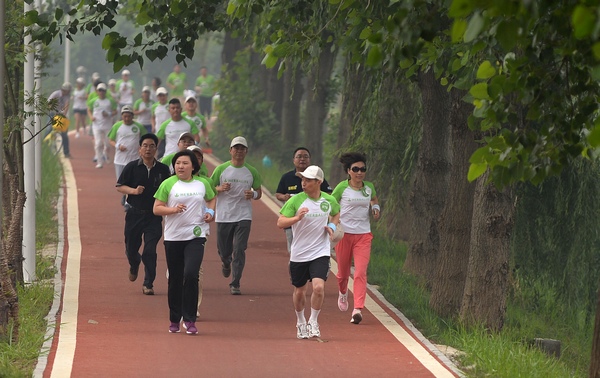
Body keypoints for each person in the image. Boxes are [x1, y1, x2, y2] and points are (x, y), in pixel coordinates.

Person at [153, 149, 216, 335]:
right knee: (175, 278)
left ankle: (189, 319)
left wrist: (210, 213)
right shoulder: (168, 184)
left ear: (193, 166)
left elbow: (211, 199)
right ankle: (174, 318)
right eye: (178, 163)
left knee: (191, 274)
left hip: (196, 235)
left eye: (185, 163)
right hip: (173, 236)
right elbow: (156, 209)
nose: (181, 166)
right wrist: (173, 210)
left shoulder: (202, 183)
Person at [277, 165, 340, 339]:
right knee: (300, 291)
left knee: (319, 287)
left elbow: (336, 213)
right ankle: (300, 321)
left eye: (307, 180)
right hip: (299, 253)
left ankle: (313, 320)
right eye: (302, 180)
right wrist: (296, 218)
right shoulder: (296, 201)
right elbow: (280, 222)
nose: (303, 183)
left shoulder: (328, 200)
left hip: (320, 251)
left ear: (318, 182)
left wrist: (332, 226)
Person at [116, 133, 171, 296]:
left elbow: (168, 190)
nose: (148, 149)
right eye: (145, 146)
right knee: (131, 249)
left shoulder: (162, 169)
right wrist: (133, 191)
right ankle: (134, 264)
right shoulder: (132, 167)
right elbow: (120, 186)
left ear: (156, 149)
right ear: (140, 149)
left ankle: (148, 283)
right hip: (134, 214)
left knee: (150, 250)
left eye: (152, 146)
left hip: (153, 216)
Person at [331, 152, 380, 325]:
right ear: (348, 171)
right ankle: (343, 293)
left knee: (360, 272)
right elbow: (331, 204)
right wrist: (332, 222)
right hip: (344, 235)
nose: (360, 172)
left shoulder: (369, 188)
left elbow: (374, 199)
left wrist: (376, 209)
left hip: (363, 235)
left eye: (363, 169)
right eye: (356, 169)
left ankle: (358, 308)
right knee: (343, 273)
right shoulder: (341, 188)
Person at [210, 136, 262, 295]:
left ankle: (235, 282)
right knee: (224, 250)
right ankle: (226, 262)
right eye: (236, 148)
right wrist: (220, 188)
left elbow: (259, 193)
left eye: (242, 148)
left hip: (243, 215)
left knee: (239, 248)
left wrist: (252, 195)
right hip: (224, 215)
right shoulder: (221, 169)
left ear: (246, 151)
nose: (239, 151)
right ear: (230, 150)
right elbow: (209, 188)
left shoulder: (252, 171)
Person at [276, 147, 332, 252]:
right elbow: (278, 194)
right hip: (292, 220)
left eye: (305, 156)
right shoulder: (287, 177)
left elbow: (329, 194)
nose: (302, 159)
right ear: (294, 160)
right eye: (299, 157)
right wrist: (284, 197)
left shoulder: (317, 177)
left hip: (315, 221)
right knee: (294, 250)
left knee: (316, 251)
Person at [108, 105, 144, 182]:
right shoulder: (117, 126)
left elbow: (146, 139)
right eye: (125, 116)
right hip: (120, 160)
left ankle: (129, 194)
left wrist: (142, 149)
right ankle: (125, 194)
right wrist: (118, 146)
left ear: (132, 116)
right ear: (122, 116)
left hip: (135, 159)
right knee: (121, 183)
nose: (127, 119)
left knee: (133, 182)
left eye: (129, 116)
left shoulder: (139, 126)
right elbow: (111, 140)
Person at [87, 82, 117, 168]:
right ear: (97, 91)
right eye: (100, 90)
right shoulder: (93, 101)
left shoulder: (110, 101)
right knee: (98, 144)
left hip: (107, 125)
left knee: (107, 144)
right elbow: (89, 109)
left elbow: (115, 111)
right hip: (96, 125)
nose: (101, 92)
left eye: (103, 90)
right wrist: (91, 117)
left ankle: (105, 154)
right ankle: (99, 162)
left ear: (105, 91)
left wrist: (109, 114)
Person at [48, 82, 72, 158]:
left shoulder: (67, 97)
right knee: (49, 130)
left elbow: (66, 106)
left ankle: (66, 152)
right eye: (66, 90)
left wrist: (64, 115)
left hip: (60, 114)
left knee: (64, 134)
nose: (66, 92)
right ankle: (44, 147)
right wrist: (53, 111)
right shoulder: (56, 94)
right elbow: (49, 102)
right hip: (52, 112)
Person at [151, 87, 170, 158]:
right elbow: (153, 117)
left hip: (169, 132)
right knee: (161, 151)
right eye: (160, 95)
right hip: (159, 132)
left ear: (166, 95)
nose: (162, 97)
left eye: (163, 95)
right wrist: (153, 126)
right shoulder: (154, 106)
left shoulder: (170, 105)